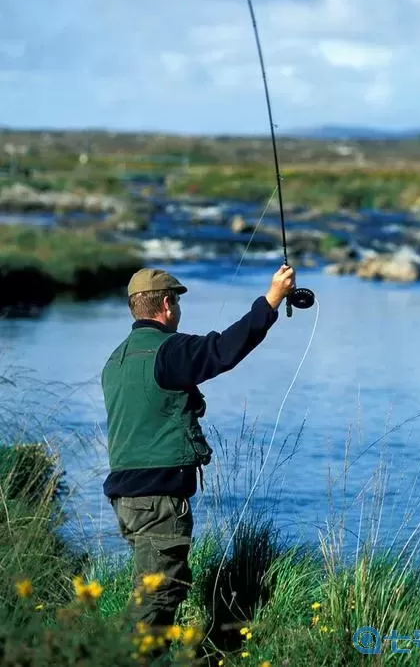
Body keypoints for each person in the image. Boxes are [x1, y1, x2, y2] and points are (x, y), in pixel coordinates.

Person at [101, 264, 296, 635]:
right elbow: (223, 350)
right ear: (167, 305)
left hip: (126, 499)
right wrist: (272, 299)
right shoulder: (168, 351)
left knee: (151, 591)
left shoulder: (115, 359)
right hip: (157, 498)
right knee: (158, 597)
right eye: (177, 300)